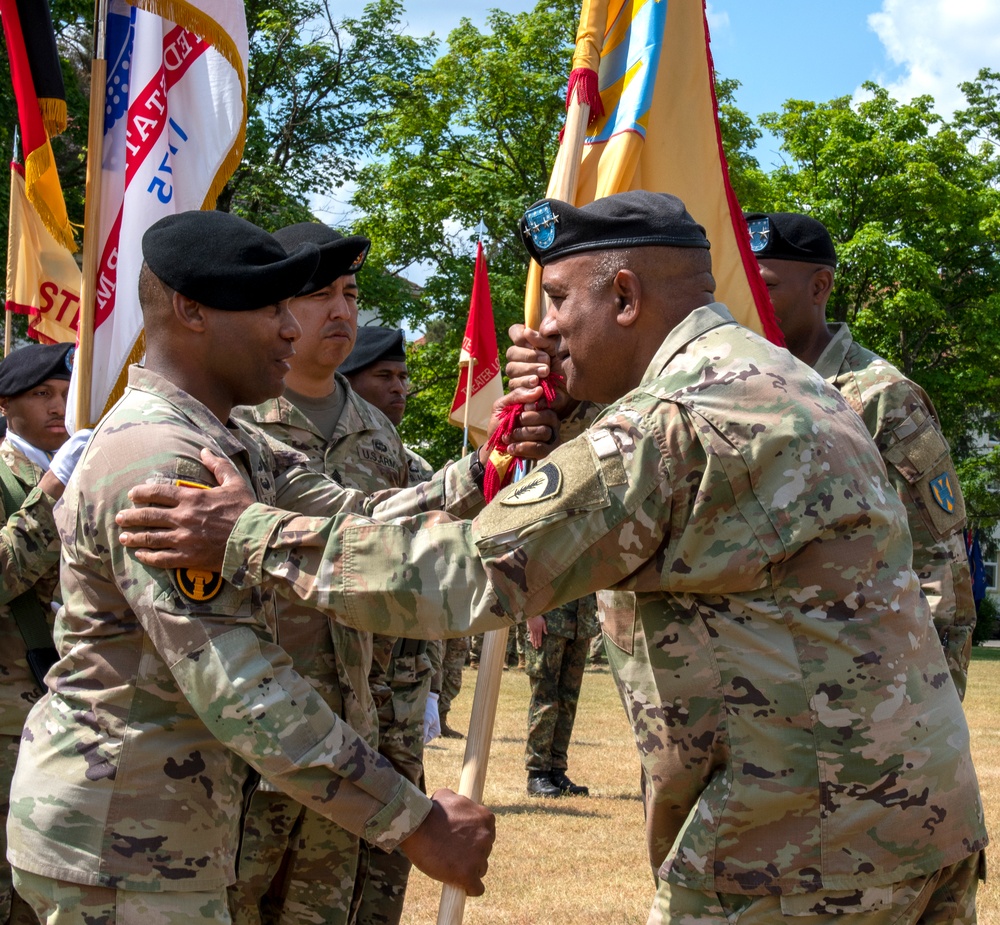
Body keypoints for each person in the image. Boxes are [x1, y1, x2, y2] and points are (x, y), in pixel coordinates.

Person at [118, 191, 987, 924]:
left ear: (624, 294)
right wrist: (566, 418)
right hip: (906, 818)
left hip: (798, 848)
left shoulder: (675, 420)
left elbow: (462, 576)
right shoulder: (775, 379)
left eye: (560, 300)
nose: (546, 332)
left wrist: (246, 534)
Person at [6, 210, 496, 925]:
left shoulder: (224, 441)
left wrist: (498, 469)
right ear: (191, 309)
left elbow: (351, 517)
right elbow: (241, 683)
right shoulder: (161, 458)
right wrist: (415, 822)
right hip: (124, 844)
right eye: (270, 307)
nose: (292, 329)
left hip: (164, 836)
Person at [226, 222, 414, 925]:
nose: (341, 311)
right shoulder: (236, 421)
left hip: (351, 735)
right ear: (276, 309)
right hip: (254, 738)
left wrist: (396, 711)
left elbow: (396, 567)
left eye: (351, 293)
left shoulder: (378, 431)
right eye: (319, 295)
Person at [744, 210, 976, 698]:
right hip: (773, 673)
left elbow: (939, 561)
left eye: (766, 285)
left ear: (819, 286)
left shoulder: (880, 396)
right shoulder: (746, 389)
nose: (750, 299)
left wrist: (930, 699)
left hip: (870, 684)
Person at [341, 325, 471, 742]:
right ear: (349, 381)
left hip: (401, 678)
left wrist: (431, 687)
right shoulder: (316, 448)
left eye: (402, 377)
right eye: (384, 377)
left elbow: (430, 576)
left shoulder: (415, 468)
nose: (399, 388)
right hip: (342, 659)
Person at [0, 343, 90, 925]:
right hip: (7, 719)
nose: (62, 407)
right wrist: (55, 486)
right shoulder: (20, 479)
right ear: (7, 405)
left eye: (68, 393)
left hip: (76, 716)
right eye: (43, 395)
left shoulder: (95, 473)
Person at [524, 594, 599, 798]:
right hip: (549, 620)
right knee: (545, 700)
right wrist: (531, 612)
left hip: (580, 622)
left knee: (568, 702)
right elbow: (528, 568)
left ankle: (557, 769)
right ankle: (537, 773)